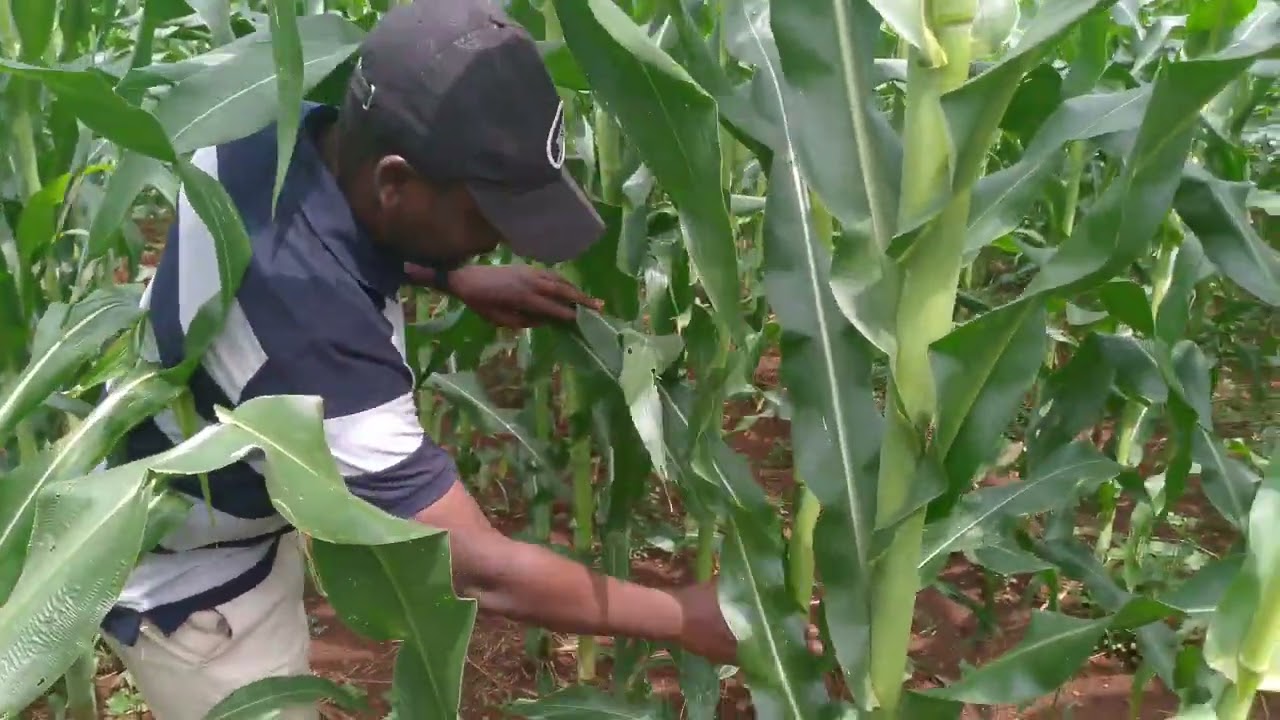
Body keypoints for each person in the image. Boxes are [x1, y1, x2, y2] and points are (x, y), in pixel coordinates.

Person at [100, 1, 738, 718]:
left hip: (233, 512)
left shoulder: (263, 125)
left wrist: (447, 272)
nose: (503, 242)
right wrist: (685, 615)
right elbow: (473, 568)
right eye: (485, 219)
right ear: (395, 183)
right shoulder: (319, 342)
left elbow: (327, 230)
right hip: (197, 596)